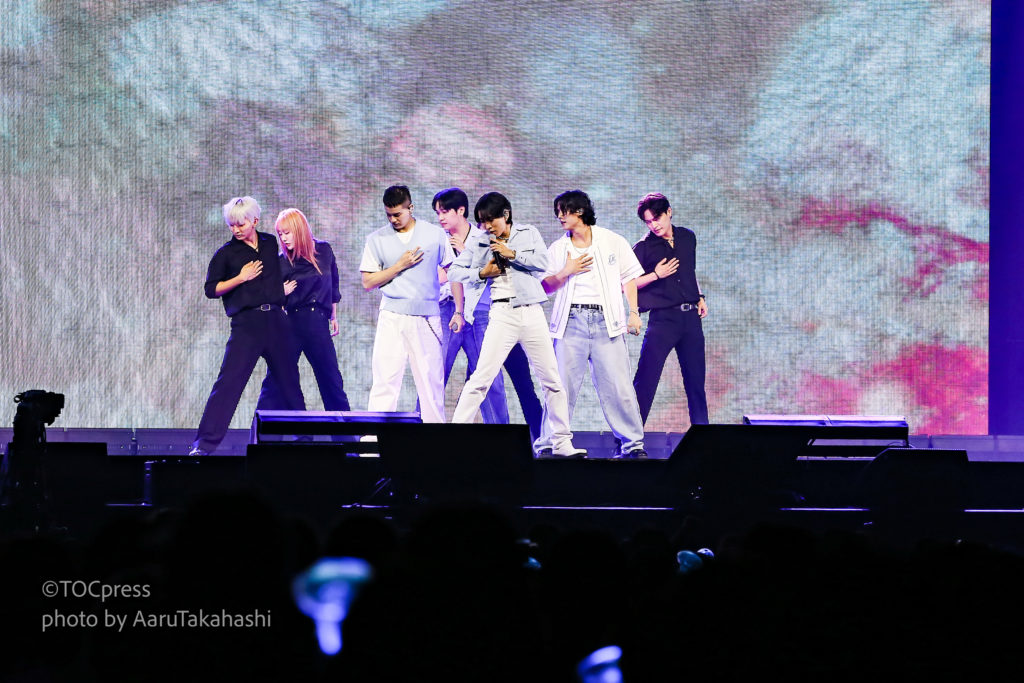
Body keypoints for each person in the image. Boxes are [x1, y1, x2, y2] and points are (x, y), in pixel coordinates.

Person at [449, 192, 585, 457]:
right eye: (482, 221)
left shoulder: (528, 233)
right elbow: (455, 271)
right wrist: (482, 272)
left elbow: (542, 263)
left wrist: (512, 253)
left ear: (506, 214)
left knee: (552, 380)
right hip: (501, 314)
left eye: (490, 220)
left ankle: (561, 442)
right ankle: (453, 438)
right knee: (481, 378)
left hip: (531, 312)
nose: (487, 226)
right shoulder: (479, 241)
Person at [189, 196, 305, 456]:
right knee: (229, 383)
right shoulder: (226, 254)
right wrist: (240, 278)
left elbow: (274, 275)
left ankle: (304, 439)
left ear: (255, 220)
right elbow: (211, 289)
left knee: (289, 381)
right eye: (232, 225)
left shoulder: (269, 243)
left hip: (276, 321)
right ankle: (203, 445)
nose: (236, 229)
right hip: (247, 324)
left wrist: (280, 292)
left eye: (241, 224)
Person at [539, 190, 648, 458]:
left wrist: (634, 312)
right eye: (558, 212)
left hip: (606, 323)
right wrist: (567, 271)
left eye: (564, 211)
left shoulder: (612, 240)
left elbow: (629, 278)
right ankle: (550, 444)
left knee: (618, 387)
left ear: (580, 211)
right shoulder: (558, 248)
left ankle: (633, 445)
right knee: (560, 386)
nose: (560, 217)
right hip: (571, 323)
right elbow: (545, 286)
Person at [434, 187, 544, 439]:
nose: (441, 217)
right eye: (438, 213)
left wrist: (501, 255)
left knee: (514, 381)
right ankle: (443, 435)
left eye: (445, 211)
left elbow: (537, 266)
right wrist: (469, 268)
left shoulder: (498, 237)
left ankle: (528, 438)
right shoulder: (448, 240)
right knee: (457, 376)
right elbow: (450, 274)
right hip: (466, 311)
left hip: (503, 312)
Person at [360, 185, 453, 422]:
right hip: (392, 315)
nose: (393, 219)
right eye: (388, 215)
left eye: (397, 214)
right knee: (385, 380)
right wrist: (399, 266)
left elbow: (451, 270)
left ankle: (434, 437)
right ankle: (374, 437)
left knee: (431, 382)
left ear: (410, 208)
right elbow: (368, 282)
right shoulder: (376, 239)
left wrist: (429, 285)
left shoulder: (434, 235)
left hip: (426, 316)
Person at [256, 208, 350, 413]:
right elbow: (265, 296)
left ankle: (345, 432)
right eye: (280, 233)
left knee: (331, 381)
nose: (283, 238)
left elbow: (333, 283)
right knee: (275, 380)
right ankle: (260, 430)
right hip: (291, 323)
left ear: (299, 230)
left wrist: (333, 315)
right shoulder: (281, 262)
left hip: (318, 322)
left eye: (287, 232)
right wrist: (279, 291)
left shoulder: (324, 250)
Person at [631, 192, 709, 426]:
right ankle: (630, 437)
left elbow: (689, 271)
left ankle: (703, 436)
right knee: (646, 379)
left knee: (696, 383)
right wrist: (656, 275)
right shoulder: (643, 247)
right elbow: (627, 283)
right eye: (648, 221)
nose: (654, 225)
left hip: (691, 319)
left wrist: (699, 296)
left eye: (657, 218)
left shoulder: (687, 237)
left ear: (669, 212)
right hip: (663, 320)